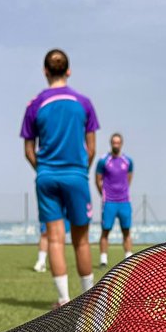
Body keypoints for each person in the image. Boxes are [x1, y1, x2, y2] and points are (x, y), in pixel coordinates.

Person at [21, 48, 99, 306]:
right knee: (81, 240)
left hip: (47, 177)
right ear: (68, 70)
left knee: (54, 238)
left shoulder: (35, 104)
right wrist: (80, 169)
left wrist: (42, 169)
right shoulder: (83, 102)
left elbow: (29, 150)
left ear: (45, 71)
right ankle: (89, 300)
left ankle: (64, 300)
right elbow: (92, 148)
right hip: (76, 175)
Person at [95, 133, 134, 266]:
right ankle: (103, 260)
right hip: (109, 202)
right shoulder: (103, 161)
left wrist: (122, 192)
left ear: (121, 143)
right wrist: (105, 194)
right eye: (114, 142)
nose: (116, 145)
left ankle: (129, 259)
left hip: (124, 201)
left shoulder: (128, 161)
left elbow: (129, 179)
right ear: (110, 143)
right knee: (105, 230)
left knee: (126, 230)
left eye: (118, 142)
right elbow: (98, 180)